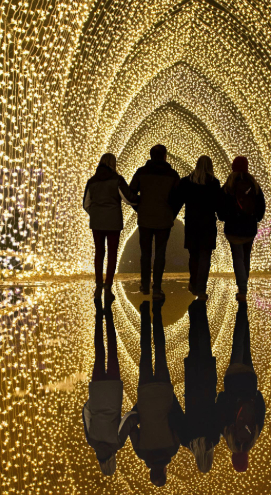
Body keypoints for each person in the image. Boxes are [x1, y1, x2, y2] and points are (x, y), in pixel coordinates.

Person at [119, 301, 184, 487]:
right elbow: (132, 427)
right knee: (145, 351)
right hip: (146, 393)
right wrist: (141, 408)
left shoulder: (172, 449)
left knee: (161, 351)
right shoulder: (141, 452)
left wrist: (172, 399)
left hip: (164, 392)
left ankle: (157, 310)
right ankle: (145, 312)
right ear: (150, 470)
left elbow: (176, 421)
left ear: (164, 471)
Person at [216, 301, 265, 473]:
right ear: (233, 458)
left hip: (249, 381)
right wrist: (223, 394)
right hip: (233, 379)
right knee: (237, 345)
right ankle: (241, 309)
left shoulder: (253, 437)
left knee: (246, 346)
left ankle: (244, 312)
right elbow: (220, 404)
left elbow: (261, 411)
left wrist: (256, 394)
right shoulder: (227, 435)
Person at [83, 153, 137, 301]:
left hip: (97, 223)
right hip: (113, 222)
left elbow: (86, 204)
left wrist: (96, 213)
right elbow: (128, 199)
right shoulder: (117, 180)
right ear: (113, 164)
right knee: (112, 254)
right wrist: (142, 200)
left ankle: (98, 284)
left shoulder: (92, 181)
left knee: (99, 252)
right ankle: (108, 286)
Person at [130, 145, 180, 301]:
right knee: (160, 253)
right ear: (165, 156)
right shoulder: (172, 175)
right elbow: (178, 198)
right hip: (164, 219)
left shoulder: (141, 172)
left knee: (145, 253)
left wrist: (139, 207)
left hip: (145, 218)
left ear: (151, 156)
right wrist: (172, 213)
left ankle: (145, 285)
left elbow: (131, 193)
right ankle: (157, 288)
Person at [83, 300, 126, 475]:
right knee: (99, 352)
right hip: (98, 392)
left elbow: (129, 419)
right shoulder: (91, 440)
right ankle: (99, 313)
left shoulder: (117, 443)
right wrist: (94, 400)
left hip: (114, 392)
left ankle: (108, 313)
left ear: (112, 461)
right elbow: (86, 412)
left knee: (112, 351)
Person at [172, 156, 223, 301]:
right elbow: (218, 205)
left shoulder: (187, 182)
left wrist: (169, 217)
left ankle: (193, 283)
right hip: (207, 225)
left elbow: (177, 201)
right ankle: (201, 289)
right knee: (205, 256)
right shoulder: (214, 183)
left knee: (193, 255)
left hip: (192, 224)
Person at [180, 300, 220, 473]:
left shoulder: (214, 438)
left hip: (207, 382)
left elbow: (218, 411)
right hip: (192, 385)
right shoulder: (187, 440)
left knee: (204, 345)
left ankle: (200, 310)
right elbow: (179, 416)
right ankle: (192, 313)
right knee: (194, 346)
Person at [220, 156, 266, 302]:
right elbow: (261, 205)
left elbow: (221, 206)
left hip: (233, 228)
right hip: (249, 228)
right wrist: (256, 219)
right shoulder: (253, 184)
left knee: (238, 258)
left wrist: (224, 217)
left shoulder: (229, 184)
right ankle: (243, 287)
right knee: (245, 257)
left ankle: (243, 289)